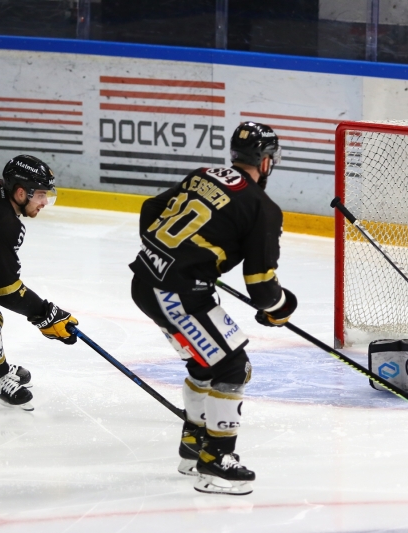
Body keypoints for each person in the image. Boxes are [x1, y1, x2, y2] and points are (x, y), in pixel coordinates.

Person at [129, 121, 297, 495]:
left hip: (148, 281)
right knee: (233, 366)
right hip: (177, 295)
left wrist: (184, 259)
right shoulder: (263, 208)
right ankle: (216, 461)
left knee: (208, 362)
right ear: (266, 162)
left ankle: (193, 446)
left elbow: (150, 209)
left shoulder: (204, 174)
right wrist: (284, 308)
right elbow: (264, 291)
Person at [0, 155, 79, 411]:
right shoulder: (2, 223)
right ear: (21, 192)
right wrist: (46, 314)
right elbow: (6, 290)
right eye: (41, 195)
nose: (44, 202)